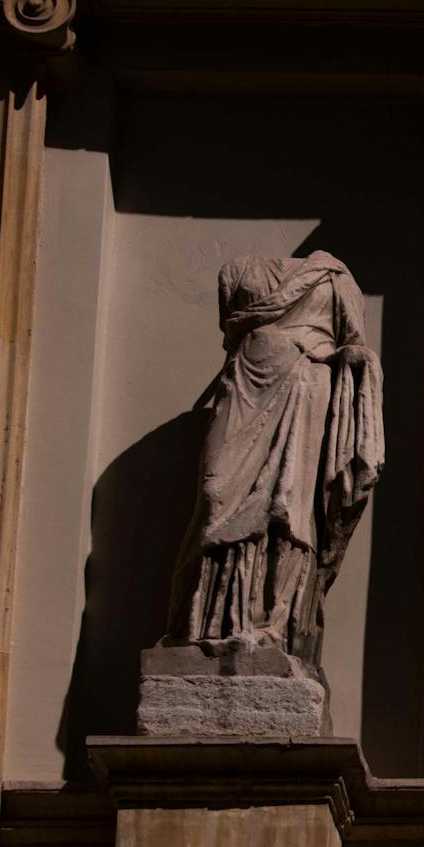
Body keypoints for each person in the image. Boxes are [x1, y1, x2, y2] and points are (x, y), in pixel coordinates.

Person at [159, 251, 384, 682]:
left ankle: (272, 629)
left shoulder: (335, 275)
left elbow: (355, 346)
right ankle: (206, 626)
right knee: (215, 496)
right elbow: (233, 325)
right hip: (243, 383)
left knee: (288, 511)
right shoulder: (237, 270)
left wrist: (349, 360)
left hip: (302, 391)